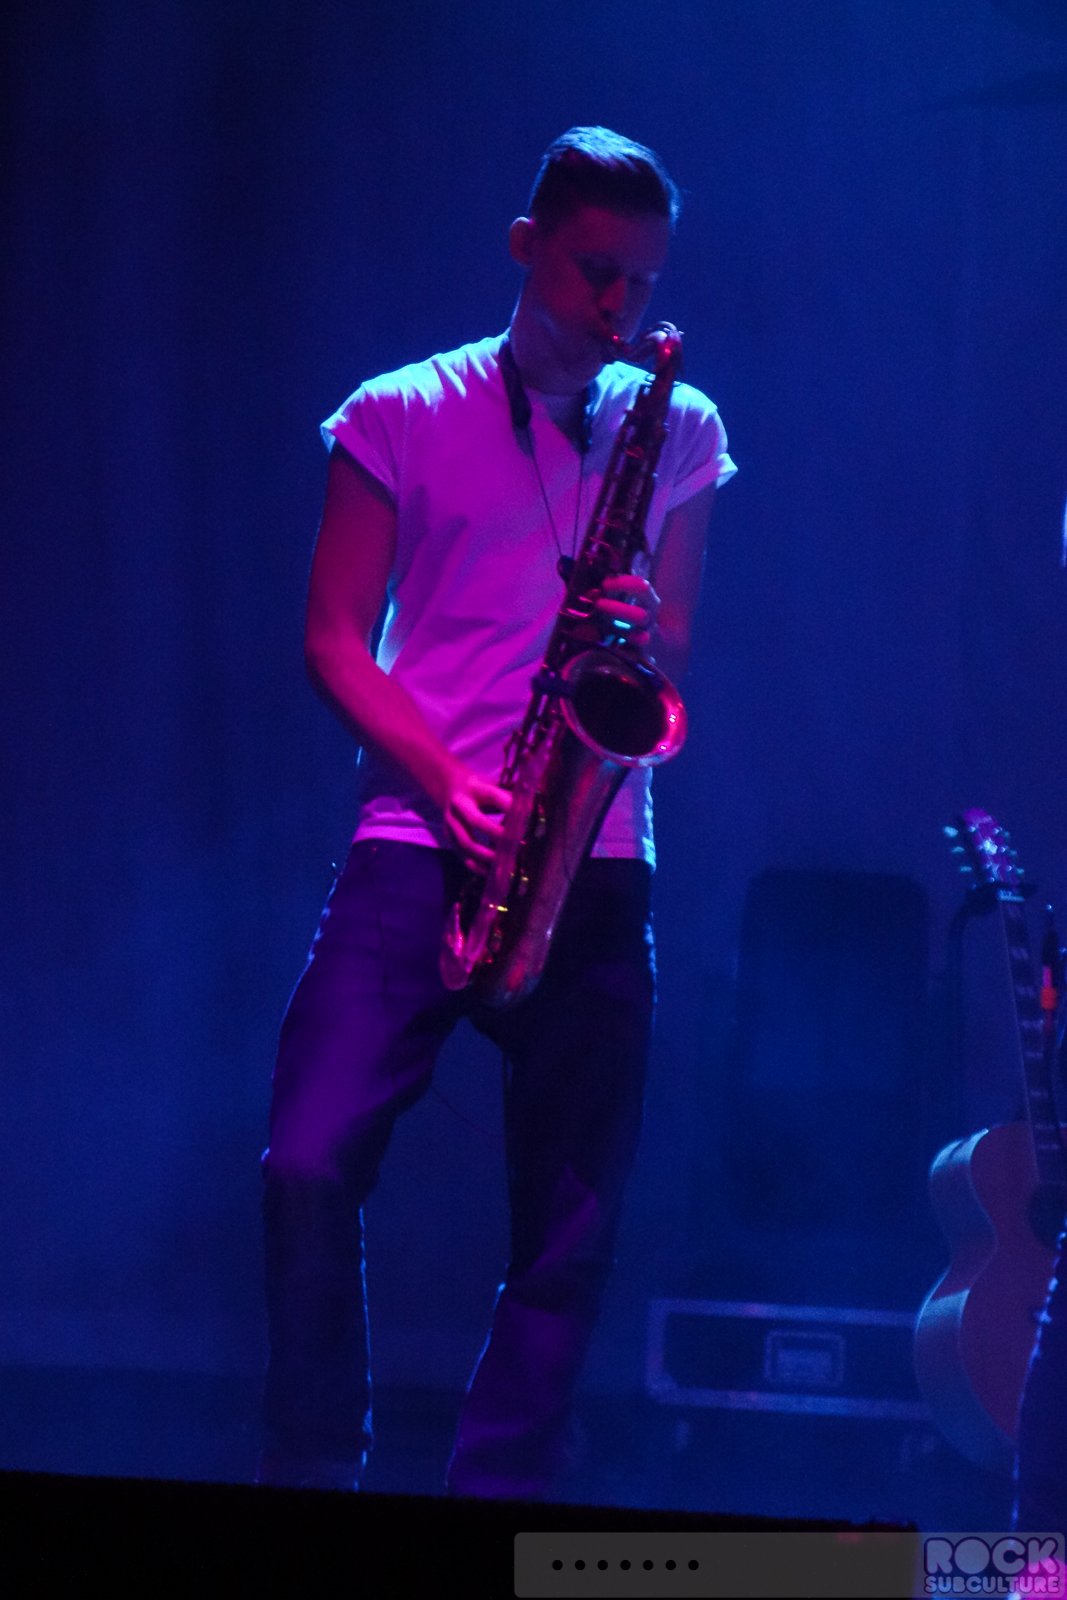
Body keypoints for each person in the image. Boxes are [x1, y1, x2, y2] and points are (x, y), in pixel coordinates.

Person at [258, 126, 736, 1498]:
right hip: (420, 834)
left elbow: (672, 655)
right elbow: (334, 641)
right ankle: (312, 1466)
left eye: (642, 283)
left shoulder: (681, 425)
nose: (619, 308)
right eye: (594, 272)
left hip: (594, 852)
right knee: (305, 1162)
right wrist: (441, 774)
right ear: (525, 247)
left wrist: (641, 635)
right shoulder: (400, 409)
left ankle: (500, 1494)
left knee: (574, 1224)